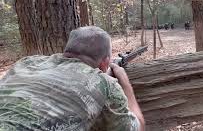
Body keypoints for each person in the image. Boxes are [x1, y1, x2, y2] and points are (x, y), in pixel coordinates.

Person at [0, 26, 145, 131]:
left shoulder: (27, 62)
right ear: (106, 62)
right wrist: (124, 82)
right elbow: (138, 127)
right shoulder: (105, 84)